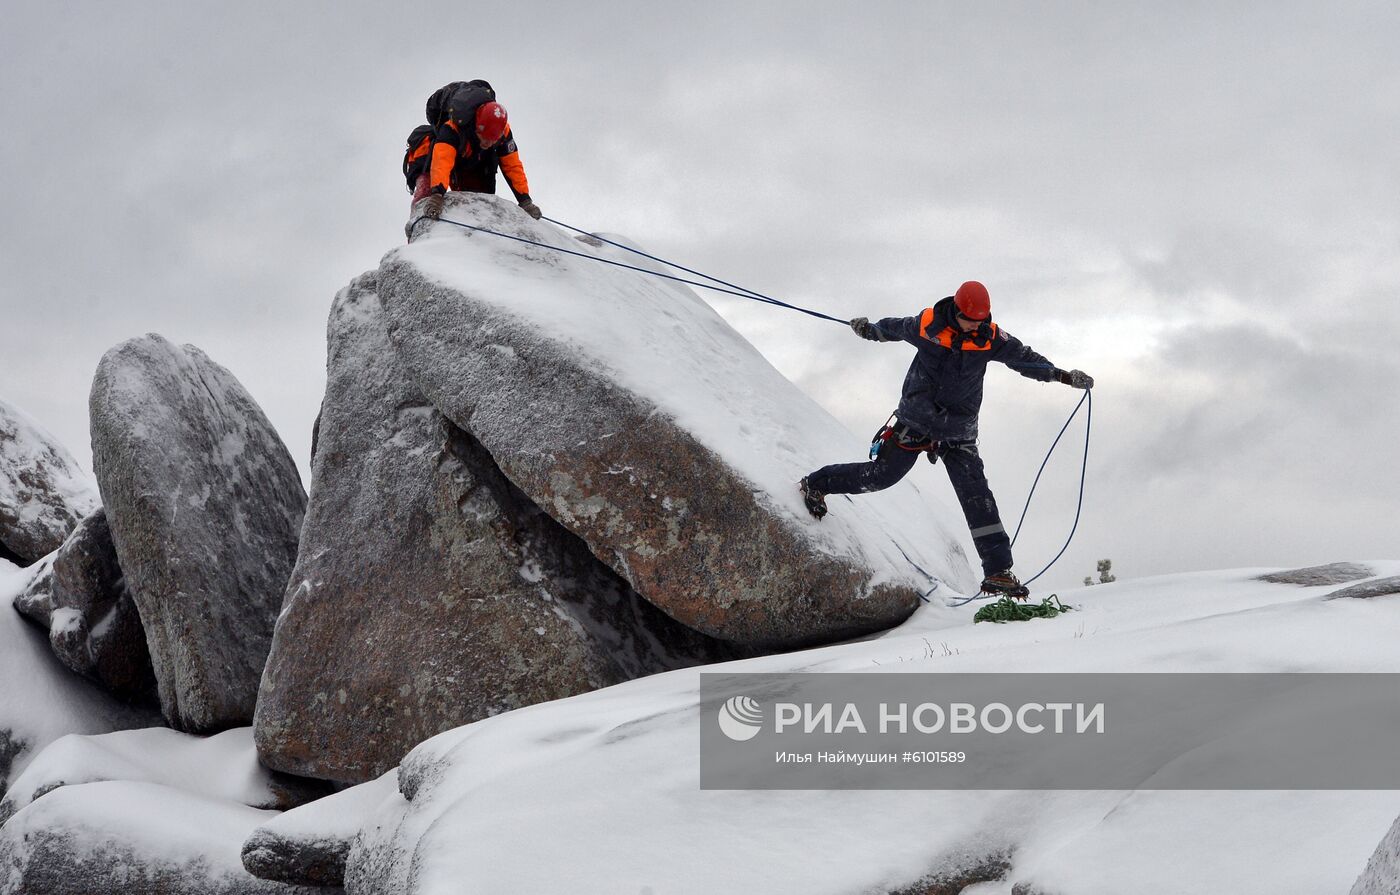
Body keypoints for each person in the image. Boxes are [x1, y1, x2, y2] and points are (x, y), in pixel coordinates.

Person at [799, 281, 1093, 598]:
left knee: (976, 496)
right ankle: (817, 483)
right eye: (970, 319)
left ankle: (997, 572)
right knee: (882, 476)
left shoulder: (990, 338)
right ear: (957, 309)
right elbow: (894, 328)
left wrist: (1063, 376)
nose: (975, 325)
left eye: (980, 320)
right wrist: (869, 330)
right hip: (916, 420)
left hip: (958, 430)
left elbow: (1025, 359)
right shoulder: (928, 325)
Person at [406, 79, 540, 227]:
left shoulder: (503, 132)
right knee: (427, 192)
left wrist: (525, 200)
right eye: (485, 139)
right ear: (477, 128)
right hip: (450, 152)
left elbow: (512, 166)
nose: (488, 144)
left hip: (472, 158)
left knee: (479, 199)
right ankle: (421, 230)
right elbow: (441, 161)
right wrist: (437, 194)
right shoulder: (453, 128)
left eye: (492, 141)